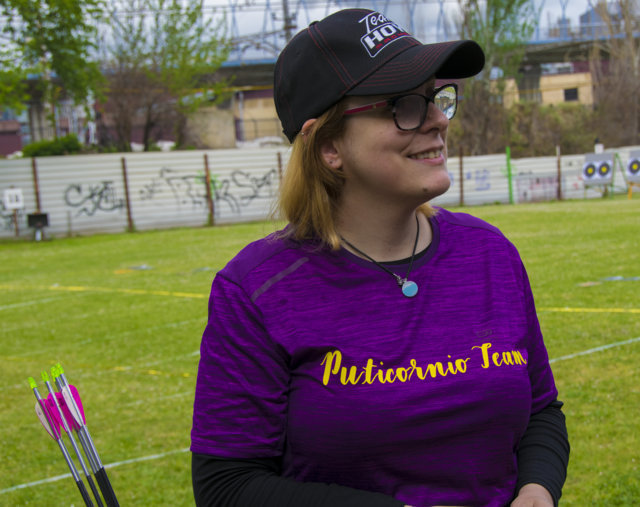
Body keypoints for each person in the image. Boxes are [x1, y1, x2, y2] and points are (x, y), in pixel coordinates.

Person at [191, 8, 569, 507]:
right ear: (329, 146)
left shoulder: (489, 253)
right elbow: (227, 486)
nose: (438, 119)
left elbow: (541, 409)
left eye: (436, 97)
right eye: (403, 105)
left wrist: (537, 489)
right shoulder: (255, 289)